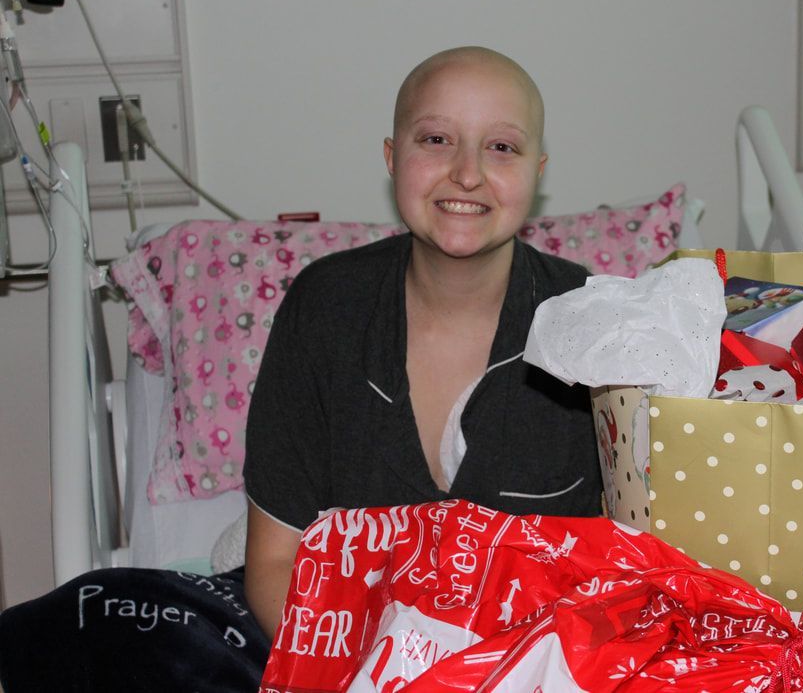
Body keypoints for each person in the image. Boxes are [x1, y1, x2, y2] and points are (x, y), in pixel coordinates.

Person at [0, 46, 602, 692]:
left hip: (538, 665)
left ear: (537, 172)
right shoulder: (327, 310)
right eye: (436, 139)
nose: (467, 173)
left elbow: (624, 572)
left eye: (502, 148)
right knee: (85, 620)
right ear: (392, 157)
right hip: (335, 653)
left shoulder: (592, 327)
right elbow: (276, 563)